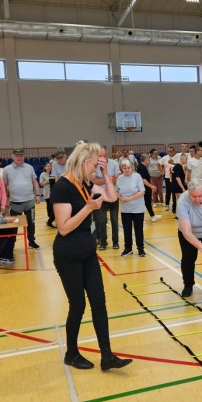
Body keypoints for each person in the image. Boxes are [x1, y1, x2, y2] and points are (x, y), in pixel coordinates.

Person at [50, 141, 132, 371]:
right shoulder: (63, 187)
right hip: (68, 255)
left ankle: (107, 356)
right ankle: (71, 354)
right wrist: (87, 208)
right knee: (77, 305)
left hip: (88, 253)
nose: (96, 168)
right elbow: (63, 228)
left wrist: (105, 174)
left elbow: (112, 197)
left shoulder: (85, 182)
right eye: (95, 164)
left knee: (99, 303)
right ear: (83, 161)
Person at [2, 148, 41, 250]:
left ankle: (31, 241)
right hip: (15, 203)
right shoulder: (7, 169)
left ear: (24, 156)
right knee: (14, 225)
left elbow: (35, 182)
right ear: (12, 157)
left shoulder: (29, 167)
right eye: (17, 156)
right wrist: (5, 199)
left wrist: (37, 195)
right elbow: (4, 185)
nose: (19, 157)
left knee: (31, 223)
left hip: (29, 202)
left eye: (21, 156)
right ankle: (11, 244)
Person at [117, 158, 147, 257]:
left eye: (128, 168)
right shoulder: (120, 178)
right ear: (121, 169)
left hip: (138, 208)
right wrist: (120, 197)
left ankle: (140, 249)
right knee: (127, 229)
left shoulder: (137, 176)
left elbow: (142, 192)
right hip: (125, 209)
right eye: (124, 168)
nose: (127, 170)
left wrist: (129, 198)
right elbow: (116, 191)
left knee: (138, 229)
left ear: (132, 168)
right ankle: (128, 248)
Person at [92, 147, 120, 250]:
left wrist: (102, 179)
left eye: (104, 155)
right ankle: (103, 242)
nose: (102, 158)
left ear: (107, 154)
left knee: (114, 220)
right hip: (101, 196)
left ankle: (115, 242)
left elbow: (117, 180)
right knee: (102, 220)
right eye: (100, 156)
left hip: (113, 195)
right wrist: (108, 179)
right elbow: (94, 181)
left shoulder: (114, 164)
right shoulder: (95, 165)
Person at [137, 154, 161, 222]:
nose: (149, 161)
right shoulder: (141, 167)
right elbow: (143, 179)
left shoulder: (143, 167)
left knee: (147, 202)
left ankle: (152, 215)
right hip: (144, 188)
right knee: (143, 203)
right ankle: (140, 219)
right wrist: (151, 186)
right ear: (146, 160)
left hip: (146, 188)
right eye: (149, 160)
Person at [48, 151, 67, 227]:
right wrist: (58, 189)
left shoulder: (70, 162)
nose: (60, 160)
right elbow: (56, 178)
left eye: (61, 157)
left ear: (65, 156)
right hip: (61, 185)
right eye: (58, 158)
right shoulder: (55, 164)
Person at [159, 146, 176, 211]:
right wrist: (161, 171)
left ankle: (174, 205)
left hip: (175, 178)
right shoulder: (165, 158)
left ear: (174, 151)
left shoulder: (177, 157)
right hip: (167, 177)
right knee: (168, 191)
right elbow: (158, 163)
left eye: (171, 151)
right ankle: (167, 204)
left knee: (174, 192)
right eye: (168, 151)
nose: (170, 152)